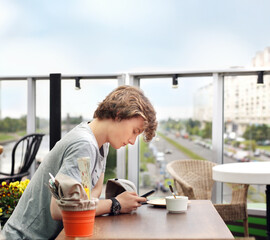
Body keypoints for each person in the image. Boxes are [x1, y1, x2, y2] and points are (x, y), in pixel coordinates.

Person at [2, 85, 157, 240]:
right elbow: (58, 210)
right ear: (118, 115)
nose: (132, 141)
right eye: (134, 131)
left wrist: (99, 203)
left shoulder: (102, 143)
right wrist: (116, 203)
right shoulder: (84, 144)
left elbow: (93, 192)